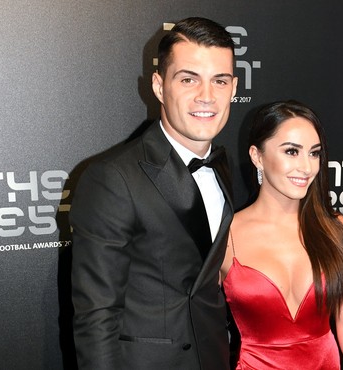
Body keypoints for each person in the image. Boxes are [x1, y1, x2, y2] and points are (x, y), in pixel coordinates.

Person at [70, 17, 238, 370]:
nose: (206, 96)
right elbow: (96, 317)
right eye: (188, 79)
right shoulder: (111, 177)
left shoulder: (222, 167)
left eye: (219, 81)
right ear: (160, 87)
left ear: (234, 88)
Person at [221, 100, 343, 369]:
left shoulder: (337, 230)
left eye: (314, 153)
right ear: (257, 156)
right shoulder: (226, 235)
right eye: (292, 152)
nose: (306, 167)